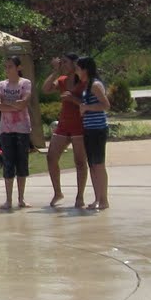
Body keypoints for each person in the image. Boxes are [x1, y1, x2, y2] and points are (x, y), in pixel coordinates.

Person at [65, 56, 112, 212]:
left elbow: (106, 105)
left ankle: (104, 199)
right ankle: (97, 198)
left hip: (98, 129)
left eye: (78, 68)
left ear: (85, 69)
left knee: (98, 164)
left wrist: (86, 108)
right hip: (89, 129)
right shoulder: (86, 86)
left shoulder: (95, 85)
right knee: (92, 164)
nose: (76, 71)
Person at [44, 54, 88, 210]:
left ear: (74, 64)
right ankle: (58, 192)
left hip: (78, 124)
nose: (63, 64)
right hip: (63, 124)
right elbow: (46, 88)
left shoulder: (83, 81)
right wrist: (55, 71)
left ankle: (80, 196)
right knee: (51, 157)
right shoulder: (62, 80)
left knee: (80, 162)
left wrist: (73, 99)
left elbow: (88, 103)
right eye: (61, 62)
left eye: (65, 62)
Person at [0, 55, 33, 211]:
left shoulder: (25, 83)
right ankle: (8, 199)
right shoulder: (2, 85)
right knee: (8, 162)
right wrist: (13, 105)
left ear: (18, 68)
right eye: (6, 66)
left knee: (22, 162)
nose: (8, 69)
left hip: (22, 128)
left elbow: (23, 103)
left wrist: (7, 104)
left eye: (10, 66)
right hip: (6, 129)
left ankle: (21, 198)